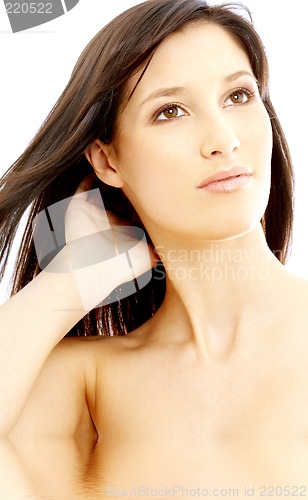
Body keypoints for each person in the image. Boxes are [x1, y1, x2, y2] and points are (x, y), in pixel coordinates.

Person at [1, 0, 308, 486]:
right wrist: (69, 281)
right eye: (170, 111)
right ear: (106, 161)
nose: (223, 139)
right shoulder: (87, 385)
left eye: (239, 96)